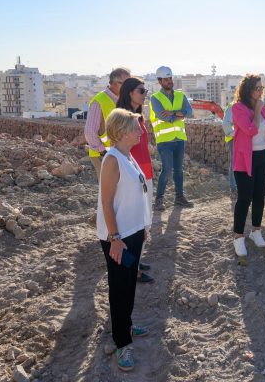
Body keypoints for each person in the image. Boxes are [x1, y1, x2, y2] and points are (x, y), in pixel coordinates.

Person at [96, 109, 152, 372]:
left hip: (133, 233)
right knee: (119, 288)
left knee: (129, 283)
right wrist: (115, 238)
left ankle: (126, 325)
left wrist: (142, 227)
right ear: (121, 131)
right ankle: (122, 343)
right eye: (135, 127)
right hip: (117, 237)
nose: (140, 131)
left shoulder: (128, 157)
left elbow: (136, 194)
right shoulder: (112, 159)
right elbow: (106, 203)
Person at [116, 77, 156, 285]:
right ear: (130, 92)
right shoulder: (123, 118)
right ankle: (133, 268)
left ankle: (136, 262)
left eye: (145, 91)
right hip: (133, 175)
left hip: (144, 173)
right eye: (141, 91)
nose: (144, 95)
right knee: (136, 224)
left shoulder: (138, 117)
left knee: (144, 222)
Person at [231, 74, 265, 258]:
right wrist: (257, 110)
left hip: (263, 157)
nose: (260, 91)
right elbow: (250, 130)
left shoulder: (263, 108)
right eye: (257, 88)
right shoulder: (237, 108)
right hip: (245, 161)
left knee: (259, 196)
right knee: (244, 198)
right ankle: (238, 236)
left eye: (261, 88)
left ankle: (255, 230)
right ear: (248, 89)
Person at [149, 66, 194, 210]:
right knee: (167, 170)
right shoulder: (155, 98)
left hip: (179, 138)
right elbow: (163, 116)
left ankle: (179, 198)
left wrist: (173, 113)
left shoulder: (181, 95)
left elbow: (189, 111)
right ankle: (159, 200)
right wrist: (179, 114)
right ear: (160, 81)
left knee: (179, 170)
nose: (169, 81)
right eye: (166, 79)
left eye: (170, 78)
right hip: (164, 141)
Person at [85, 68, 131, 177]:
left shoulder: (122, 100)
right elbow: (90, 132)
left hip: (119, 153)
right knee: (109, 190)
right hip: (103, 154)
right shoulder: (99, 101)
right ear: (114, 83)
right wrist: (104, 152)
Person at [221, 104, 238, 201]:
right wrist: (234, 134)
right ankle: (234, 189)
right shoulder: (233, 106)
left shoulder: (249, 105)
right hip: (234, 139)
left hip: (244, 139)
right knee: (234, 164)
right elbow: (225, 123)